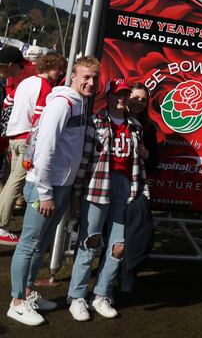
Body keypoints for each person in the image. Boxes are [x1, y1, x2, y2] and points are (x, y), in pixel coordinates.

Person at [7, 56, 100, 327]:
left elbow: (69, 152)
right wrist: (45, 192)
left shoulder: (79, 103)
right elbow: (45, 149)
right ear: (73, 75)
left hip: (61, 186)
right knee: (29, 244)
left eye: (95, 78)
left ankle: (26, 292)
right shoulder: (62, 104)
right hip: (43, 186)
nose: (91, 82)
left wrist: (67, 191)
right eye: (86, 76)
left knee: (41, 244)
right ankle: (16, 302)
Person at [67, 78, 150, 321]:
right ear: (109, 96)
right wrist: (76, 194)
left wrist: (141, 189)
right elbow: (84, 160)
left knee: (118, 245)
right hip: (97, 185)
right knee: (90, 241)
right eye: (118, 94)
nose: (121, 98)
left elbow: (138, 161)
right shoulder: (95, 122)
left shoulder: (135, 126)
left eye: (125, 95)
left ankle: (102, 293)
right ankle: (77, 296)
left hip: (125, 187)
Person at [0, 52, 66, 245]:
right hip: (26, 139)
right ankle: (2, 226)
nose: (60, 73)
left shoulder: (25, 83)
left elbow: (7, 102)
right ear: (52, 67)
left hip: (13, 137)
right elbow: (39, 119)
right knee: (15, 183)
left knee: (12, 181)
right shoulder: (45, 87)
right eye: (59, 69)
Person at [126, 82, 160, 175]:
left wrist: (146, 154)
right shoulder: (114, 119)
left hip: (135, 177)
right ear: (126, 97)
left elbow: (154, 162)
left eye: (143, 100)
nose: (139, 102)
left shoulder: (149, 128)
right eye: (135, 98)